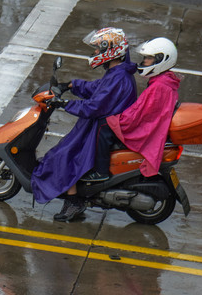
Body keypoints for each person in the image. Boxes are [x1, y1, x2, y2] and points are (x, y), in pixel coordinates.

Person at [31, 27, 137, 222]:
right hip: (97, 124)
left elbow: (94, 106)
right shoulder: (117, 73)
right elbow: (96, 88)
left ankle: (74, 202)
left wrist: (64, 103)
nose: (95, 53)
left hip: (99, 126)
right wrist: (71, 85)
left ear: (110, 50)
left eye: (97, 49)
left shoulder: (119, 77)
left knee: (64, 157)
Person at [87, 37, 181, 181]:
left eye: (148, 58)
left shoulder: (159, 87)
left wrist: (118, 118)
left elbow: (141, 114)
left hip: (147, 127)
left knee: (103, 125)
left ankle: (101, 171)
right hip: (152, 121)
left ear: (161, 60)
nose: (144, 62)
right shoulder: (164, 80)